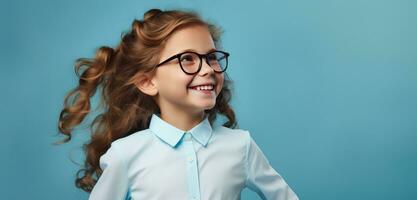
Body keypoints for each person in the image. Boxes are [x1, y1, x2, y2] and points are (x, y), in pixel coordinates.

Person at [57, 8, 299, 200]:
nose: (207, 70)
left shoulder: (240, 146)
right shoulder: (126, 154)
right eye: (187, 59)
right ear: (148, 81)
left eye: (211, 57)